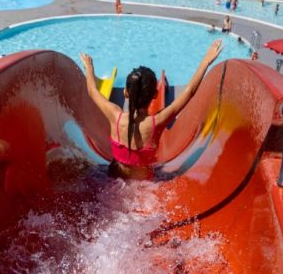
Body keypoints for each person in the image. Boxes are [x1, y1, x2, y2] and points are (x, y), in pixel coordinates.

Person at [79, 40, 224, 179]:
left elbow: (92, 91)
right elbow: (189, 91)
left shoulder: (115, 116)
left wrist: (89, 68)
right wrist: (206, 62)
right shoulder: (158, 121)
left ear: (125, 93)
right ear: (155, 95)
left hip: (114, 178)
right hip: (144, 184)